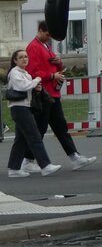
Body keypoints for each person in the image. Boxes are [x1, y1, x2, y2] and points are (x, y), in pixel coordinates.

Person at [22, 21, 95, 172]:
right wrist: (52, 75)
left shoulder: (43, 46)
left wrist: (59, 63)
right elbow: (33, 73)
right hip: (44, 93)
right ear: (40, 31)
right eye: (47, 35)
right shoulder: (34, 47)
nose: (49, 38)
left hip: (50, 92)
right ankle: (29, 160)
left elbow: (45, 69)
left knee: (58, 126)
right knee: (45, 127)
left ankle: (73, 157)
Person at [6, 49, 59, 177]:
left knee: (21, 139)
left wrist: (36, 88)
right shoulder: (15, 73)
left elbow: (27, 87)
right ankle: (45, 165)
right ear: (15, 60)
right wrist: (36, 80)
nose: (25, 59)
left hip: (24, 107)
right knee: (34, 136)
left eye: (26, 57)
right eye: (21, 57)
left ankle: (13, 169)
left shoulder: (25, 73)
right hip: (19, 108)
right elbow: (23, 87)